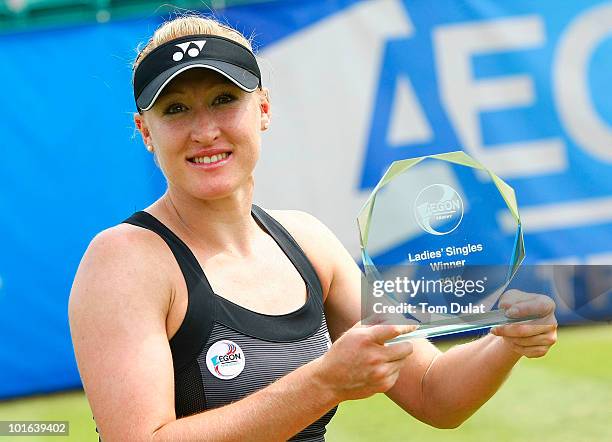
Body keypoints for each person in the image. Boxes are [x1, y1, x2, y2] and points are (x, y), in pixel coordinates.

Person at [68, 14, 558, 442]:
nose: (205, 130)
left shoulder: (307, 242)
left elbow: (433, 392)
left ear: (263, 109)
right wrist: (322, 381)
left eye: (223, 99)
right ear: (145, 132)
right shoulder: (124, 261)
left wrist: (506, 341)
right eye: (176, 109)